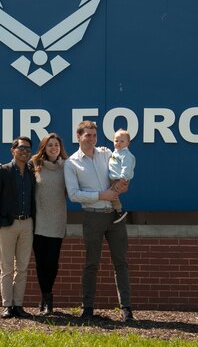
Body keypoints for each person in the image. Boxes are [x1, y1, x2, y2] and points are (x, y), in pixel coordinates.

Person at [64, 120, 134, 322]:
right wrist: (101, 196)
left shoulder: (106, 153)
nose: (92, 139)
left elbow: (121, 172)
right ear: (78, 137)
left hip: (115, 216)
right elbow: (74, 194)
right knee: (91, 264)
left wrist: (123, 185)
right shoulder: (71, 163)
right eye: (88, 135)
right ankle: (87, 308)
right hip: (92, 216)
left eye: (94, 135)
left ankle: (126, 309)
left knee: (121, 262)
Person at [0, 136, 35, 319]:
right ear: (12, 150)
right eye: (21, 148)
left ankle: (18, 305)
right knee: (6, 267)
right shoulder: (3, 171)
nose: (25, 152)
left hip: (27, 224)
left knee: (22, 267)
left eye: (28, 149)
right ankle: (7, 305)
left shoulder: (31, 172)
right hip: (8, 224)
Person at [29, 133, 69, 316]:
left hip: (57, 222)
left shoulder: (67, 167)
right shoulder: (34, 166)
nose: (54, 148)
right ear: (44, 148)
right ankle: (46, 299)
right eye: (50, 145)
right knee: (41, 263)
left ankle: (47, 295)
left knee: (52, 263)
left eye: (57, 145)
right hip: (38, 222)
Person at [108, 129, 136, 224]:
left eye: (122, 141)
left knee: (111, 194)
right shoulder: (115, 153)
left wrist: (122, 180)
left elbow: (126, 168)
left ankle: (120, 212)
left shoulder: (126, 155)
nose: (118, 143)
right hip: (114, 179)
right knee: (110, 195)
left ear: (128, 143)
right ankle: (116, 210)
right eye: (116, 141)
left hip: (120, 180)